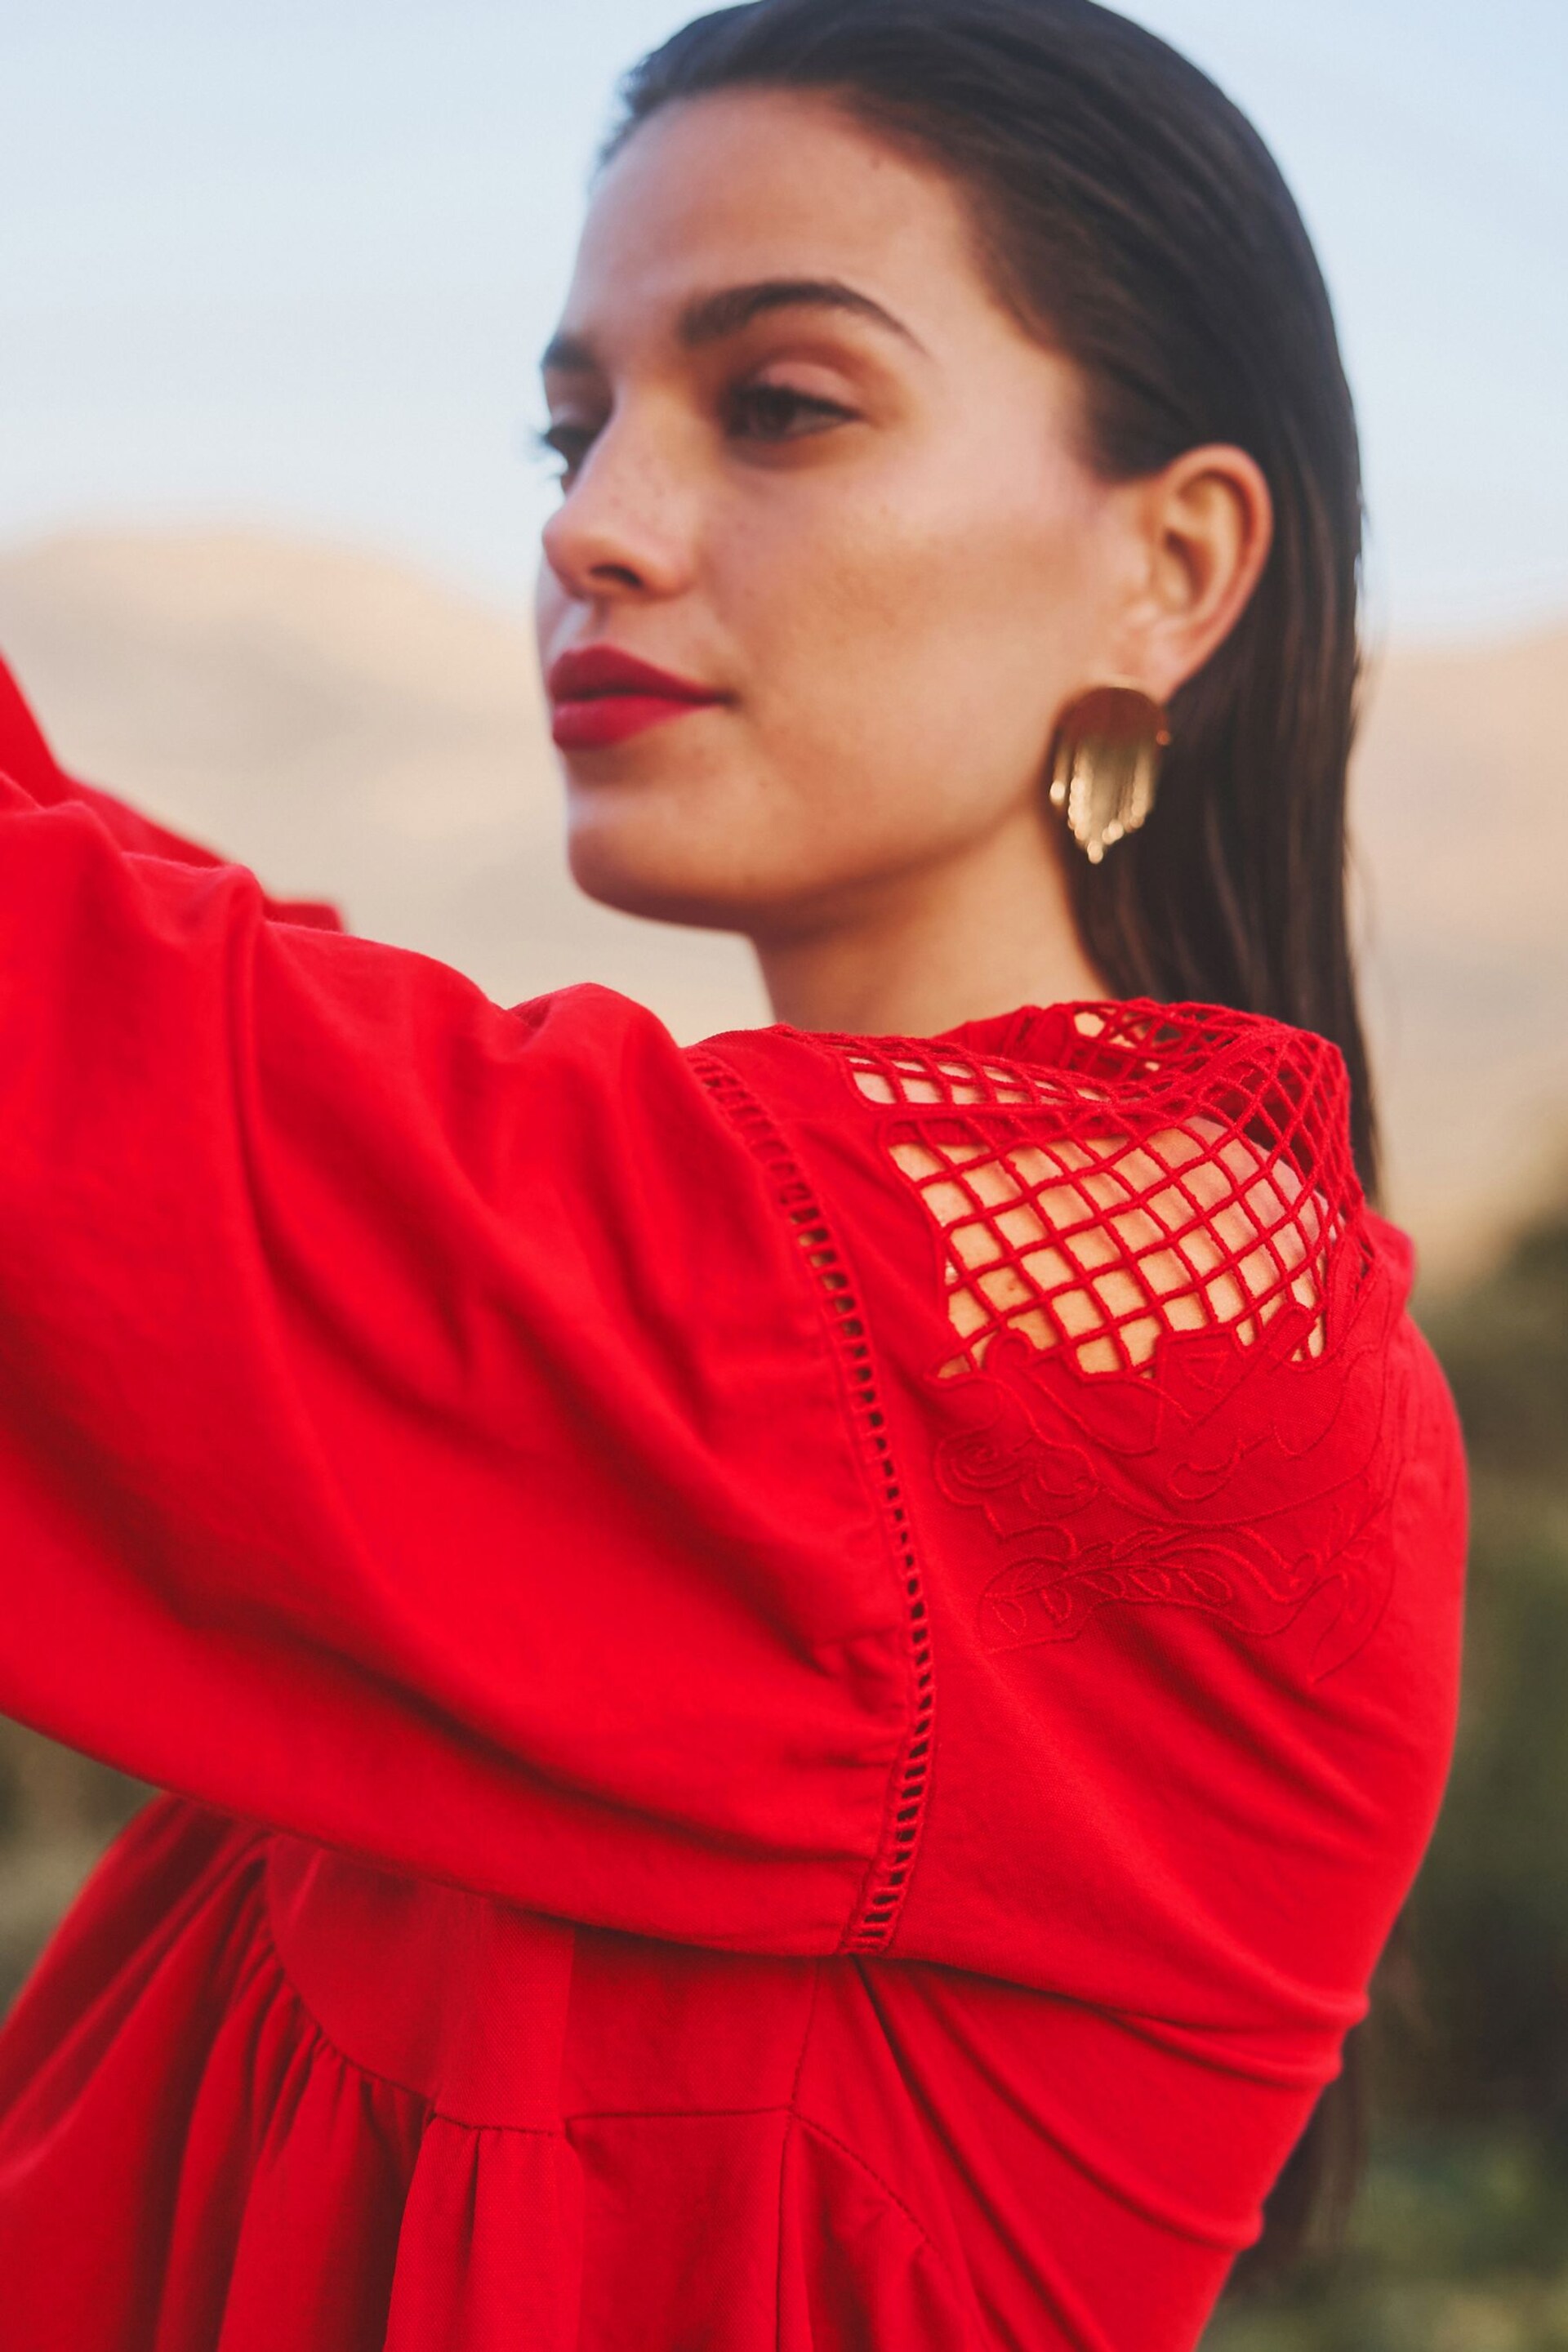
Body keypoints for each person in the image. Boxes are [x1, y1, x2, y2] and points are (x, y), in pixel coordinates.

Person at [0, 2, 1466, 2345]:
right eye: (567, 430)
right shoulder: (654, 1355)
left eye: (778, 405)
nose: (593, 526)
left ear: (1171, 570)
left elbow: (91, 1057)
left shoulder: (1177, 1364)